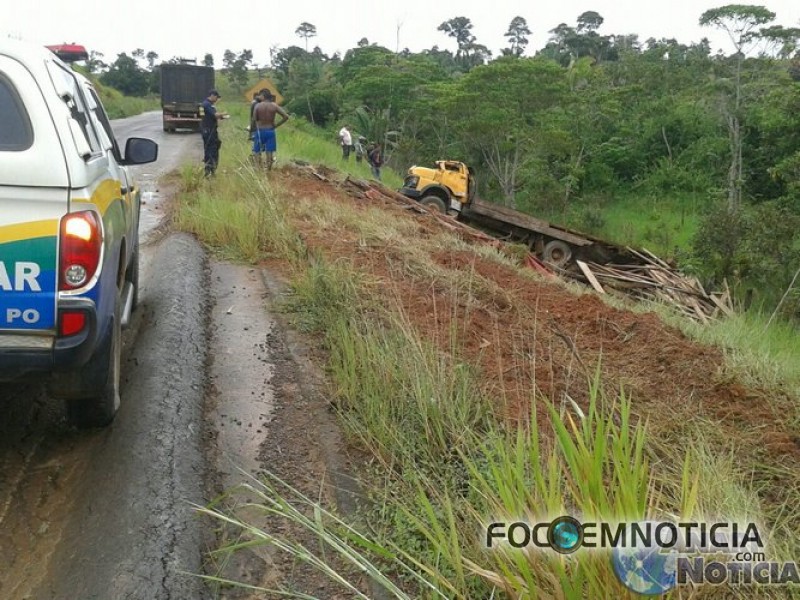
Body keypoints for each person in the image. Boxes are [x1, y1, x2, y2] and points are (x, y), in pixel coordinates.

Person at [252, 89, 290, 171]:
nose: (259, 97)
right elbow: (286, 117)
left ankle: (257, 169)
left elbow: (254, 119)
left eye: (260, 95)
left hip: (259, 131)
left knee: (257, 151)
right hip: (270, 130)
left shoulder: (257, 106)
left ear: (263, 96)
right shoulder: (274, 106)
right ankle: (268, 170)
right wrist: (276, 126)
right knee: (269, 151)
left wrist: (252, 131)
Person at [201, 89, 226, 176]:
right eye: (216, 97)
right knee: (211, 150)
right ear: (212, 95)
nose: (217, 100)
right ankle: (209, 171)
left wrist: (220, 117)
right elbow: (215, 115)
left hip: (207, 130)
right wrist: (223, 114)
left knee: (211, 148)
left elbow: (209, 116)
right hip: (209, 131)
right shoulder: (207, 104)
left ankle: (210, 170)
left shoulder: (206, 104)